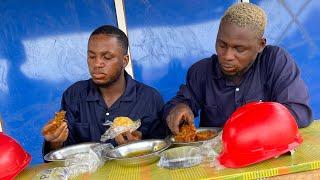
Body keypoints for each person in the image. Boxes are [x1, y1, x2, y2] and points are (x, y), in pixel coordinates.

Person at [164, 2, 313, 135]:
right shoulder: (202, 71)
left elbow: (298, 113)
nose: (227, 56)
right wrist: (178, 109)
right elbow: (178, 104)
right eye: (222, 45)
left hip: (264, 155)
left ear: (260, 45)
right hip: (215, 161)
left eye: (239, 49)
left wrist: (244, 126)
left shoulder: (274, 61)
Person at [42, 25, 167, 157]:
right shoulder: (74, 95)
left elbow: (162, 151)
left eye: (107, 57)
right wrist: (55, 141)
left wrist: (136, 149)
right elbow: (63, 154)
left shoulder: (150, 98)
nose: (97, 64)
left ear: (124, 61)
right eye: (91, 56)